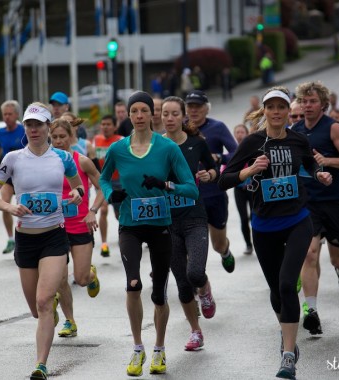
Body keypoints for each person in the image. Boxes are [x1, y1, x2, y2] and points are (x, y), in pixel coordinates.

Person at [219, 87, 332, 380]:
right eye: (272, 107)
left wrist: (319, 173)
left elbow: (308, 163)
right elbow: (224, 180)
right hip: (264, 226)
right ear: (265, 112)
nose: (278, 112)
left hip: (297, 220)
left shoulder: (298, 139)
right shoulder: (253, 143)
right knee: (276, 292)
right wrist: (248, 171)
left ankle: (288, 356)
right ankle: (288, 334)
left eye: (283, 107)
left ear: (287, 110)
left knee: (285, 285)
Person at [99, 91, 198, 376]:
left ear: (151, 115)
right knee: (133, 285)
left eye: (144, 111)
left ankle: (159, 349)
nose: (139, 116)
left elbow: (191, 188)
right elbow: (104, 178)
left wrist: (166, 186)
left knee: (158, 293)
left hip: (160, 226)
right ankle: (138, 347)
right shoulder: (117, 149)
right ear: (128, 116)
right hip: (130, 224)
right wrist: (111, 195)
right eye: (134, 111)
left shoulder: (167, 148)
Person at [0, 102, 85, 379]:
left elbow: (77, 185)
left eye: (39, 125)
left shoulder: (63, 158)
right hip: (25, 240)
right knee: (36, 309)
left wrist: (76, 194)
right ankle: (48, 316)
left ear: (48, 127)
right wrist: (9, 207)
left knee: (43, 302)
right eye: (29, 124)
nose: (33, 129)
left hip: (54, 236)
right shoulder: (13, 159)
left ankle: (40, 364)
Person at [291, 81, 339, 336]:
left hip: (333, 201)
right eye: (304, 101)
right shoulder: (295, 131)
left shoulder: (333, 128)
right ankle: (312, 311)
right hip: (307, 203)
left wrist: (327, 160)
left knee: (335, 257)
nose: (307, 106)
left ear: (322, 104)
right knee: (309, 254)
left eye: (312, 101)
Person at [162, 96, 218, 351]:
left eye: (175, 114)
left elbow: (213, 167)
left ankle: (205, 289)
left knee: (194, 273)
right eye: (165, 114)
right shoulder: (155, 146)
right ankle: (196, 331)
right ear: (160, 117)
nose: (170, 118)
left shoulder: (196, 143)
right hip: (167, 221)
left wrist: (209, 174)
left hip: (194, 217)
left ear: (183, 116)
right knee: (182, 283)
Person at [49, 118, 105, 338]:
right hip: (55, 226)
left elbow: (103, 188)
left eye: (63, 137)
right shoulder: (46, 162)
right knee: (60, 278)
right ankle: (69, 321)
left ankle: (91, 275)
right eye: (54, 138)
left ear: (71, 136)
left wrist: (92, 210)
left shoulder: (81, 161)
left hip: (80, 224)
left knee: (80, 279)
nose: (59, 141)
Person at [185, 90, 238, 273]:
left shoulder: (218, 127)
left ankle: (225, 252)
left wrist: (219, 157)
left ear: (206, 109)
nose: (193, 110)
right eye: (190, 106)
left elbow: (236, 154)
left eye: (197, 106)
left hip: (214, 193)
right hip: (188, 196)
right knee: (189, 246)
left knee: (217, 243)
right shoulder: (180, 128)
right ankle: (196, 281)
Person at [0, 100, 28, 254]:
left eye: (10, 114)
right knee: (5, 204)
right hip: (8, 176)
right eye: (4, 114)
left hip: (24, 174)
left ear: (16, 115)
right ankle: (10, 239)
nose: (7, 117)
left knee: (25, 205)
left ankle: (27, 234)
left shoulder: (24, 131)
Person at [92, 115, 123, 257]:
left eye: (108, 124)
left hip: (119, 181)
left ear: (115, 126)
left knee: (119, 214)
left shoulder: (120, 140)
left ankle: (125, 236)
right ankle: (104, 244)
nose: (105, 127)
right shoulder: (96, 140)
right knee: (103, 209)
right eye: (103, 124)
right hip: (104, 181)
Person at [232, 124, 254, 254]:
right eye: (237, 132)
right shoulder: (232, 150)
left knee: (254, 216)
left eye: (242, 132)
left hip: (252, 188)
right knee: (244, 218)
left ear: (246, 134)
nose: (240, 135)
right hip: (239, 189)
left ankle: (257, 241)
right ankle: (248, 244)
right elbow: (225, 170)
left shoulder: (252, 149)